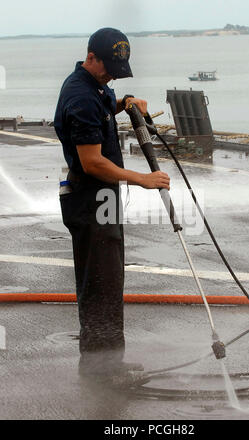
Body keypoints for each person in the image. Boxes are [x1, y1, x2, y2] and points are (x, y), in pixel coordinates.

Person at [54, 27, 170, 380]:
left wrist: (125, 104)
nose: (113, 76)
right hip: (89, 200)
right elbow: (92, 162)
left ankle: (110, 364)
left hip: (103, 198)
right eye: (109, 69)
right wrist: (144, 179)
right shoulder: (80, 96)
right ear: (92, 57)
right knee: (99, 286)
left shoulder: (97, 86)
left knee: (109, 281)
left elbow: (106, 106)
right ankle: (99, 373)